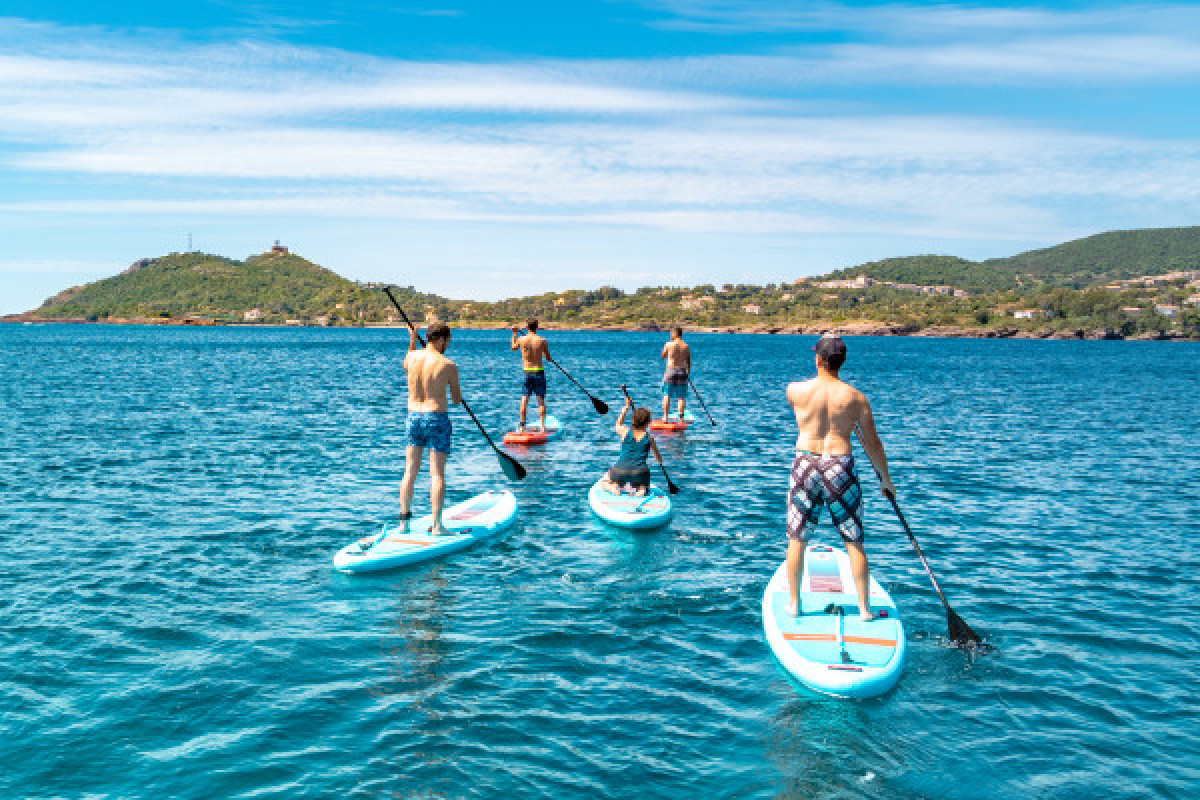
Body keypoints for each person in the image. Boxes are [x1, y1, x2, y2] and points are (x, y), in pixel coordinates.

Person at [785, 334, 896, 621]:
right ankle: (864, 609)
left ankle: (794, 604)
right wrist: (886, 479)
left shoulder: (795, 390)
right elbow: (873, 444)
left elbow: (807, 412)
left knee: (797, 539)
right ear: (843, 361)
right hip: (839, 463)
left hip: (805, 460)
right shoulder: (857, 398)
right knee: (853, 540)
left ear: (818, 359)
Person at [399, 322, 462, 536]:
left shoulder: (412, 357)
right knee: (437, 474)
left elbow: (406, 364)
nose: (449, 345)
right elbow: (456, 399)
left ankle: (404, 524)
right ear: (442, 339)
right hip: (436, 417)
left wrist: (412, 340)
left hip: (413, 417)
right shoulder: (448, 364)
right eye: (448, 341)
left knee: (410, 471)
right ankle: (437, 526)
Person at [600, 396, 664, 495]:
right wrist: (660, 460)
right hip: (640, 473)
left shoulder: (625, 431)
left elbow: (618, 424)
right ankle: (642, 489)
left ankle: (613, 487)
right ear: (648, 423)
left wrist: (626, 407)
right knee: (642, 484)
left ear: (633, 420)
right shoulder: (650, 438)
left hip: (620, 470)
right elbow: (659, 459)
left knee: (604, 482)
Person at [511, 318, 551, 432]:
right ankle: (542, 427)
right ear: (537, 327)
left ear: (527, 327)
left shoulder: (521, 339)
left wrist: (514, 333)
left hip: (527, 372)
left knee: (524, 399)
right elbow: (548, 358)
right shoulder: (542, 340)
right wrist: (543, 354)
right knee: (540, 400)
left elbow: (513, 347)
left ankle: (522, 426)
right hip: (539, 372)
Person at [660, 326, 691, 421]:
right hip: (682, 371)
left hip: (671, 370)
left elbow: (663, 356)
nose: (671, 335)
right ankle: (681, 418)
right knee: (681, 396)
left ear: (675, 334)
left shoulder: (669, 344)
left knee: (667, 394)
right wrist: (688, 373)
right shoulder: (686, 346)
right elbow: (688, 361)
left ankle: (665, 417)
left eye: (671, 333)